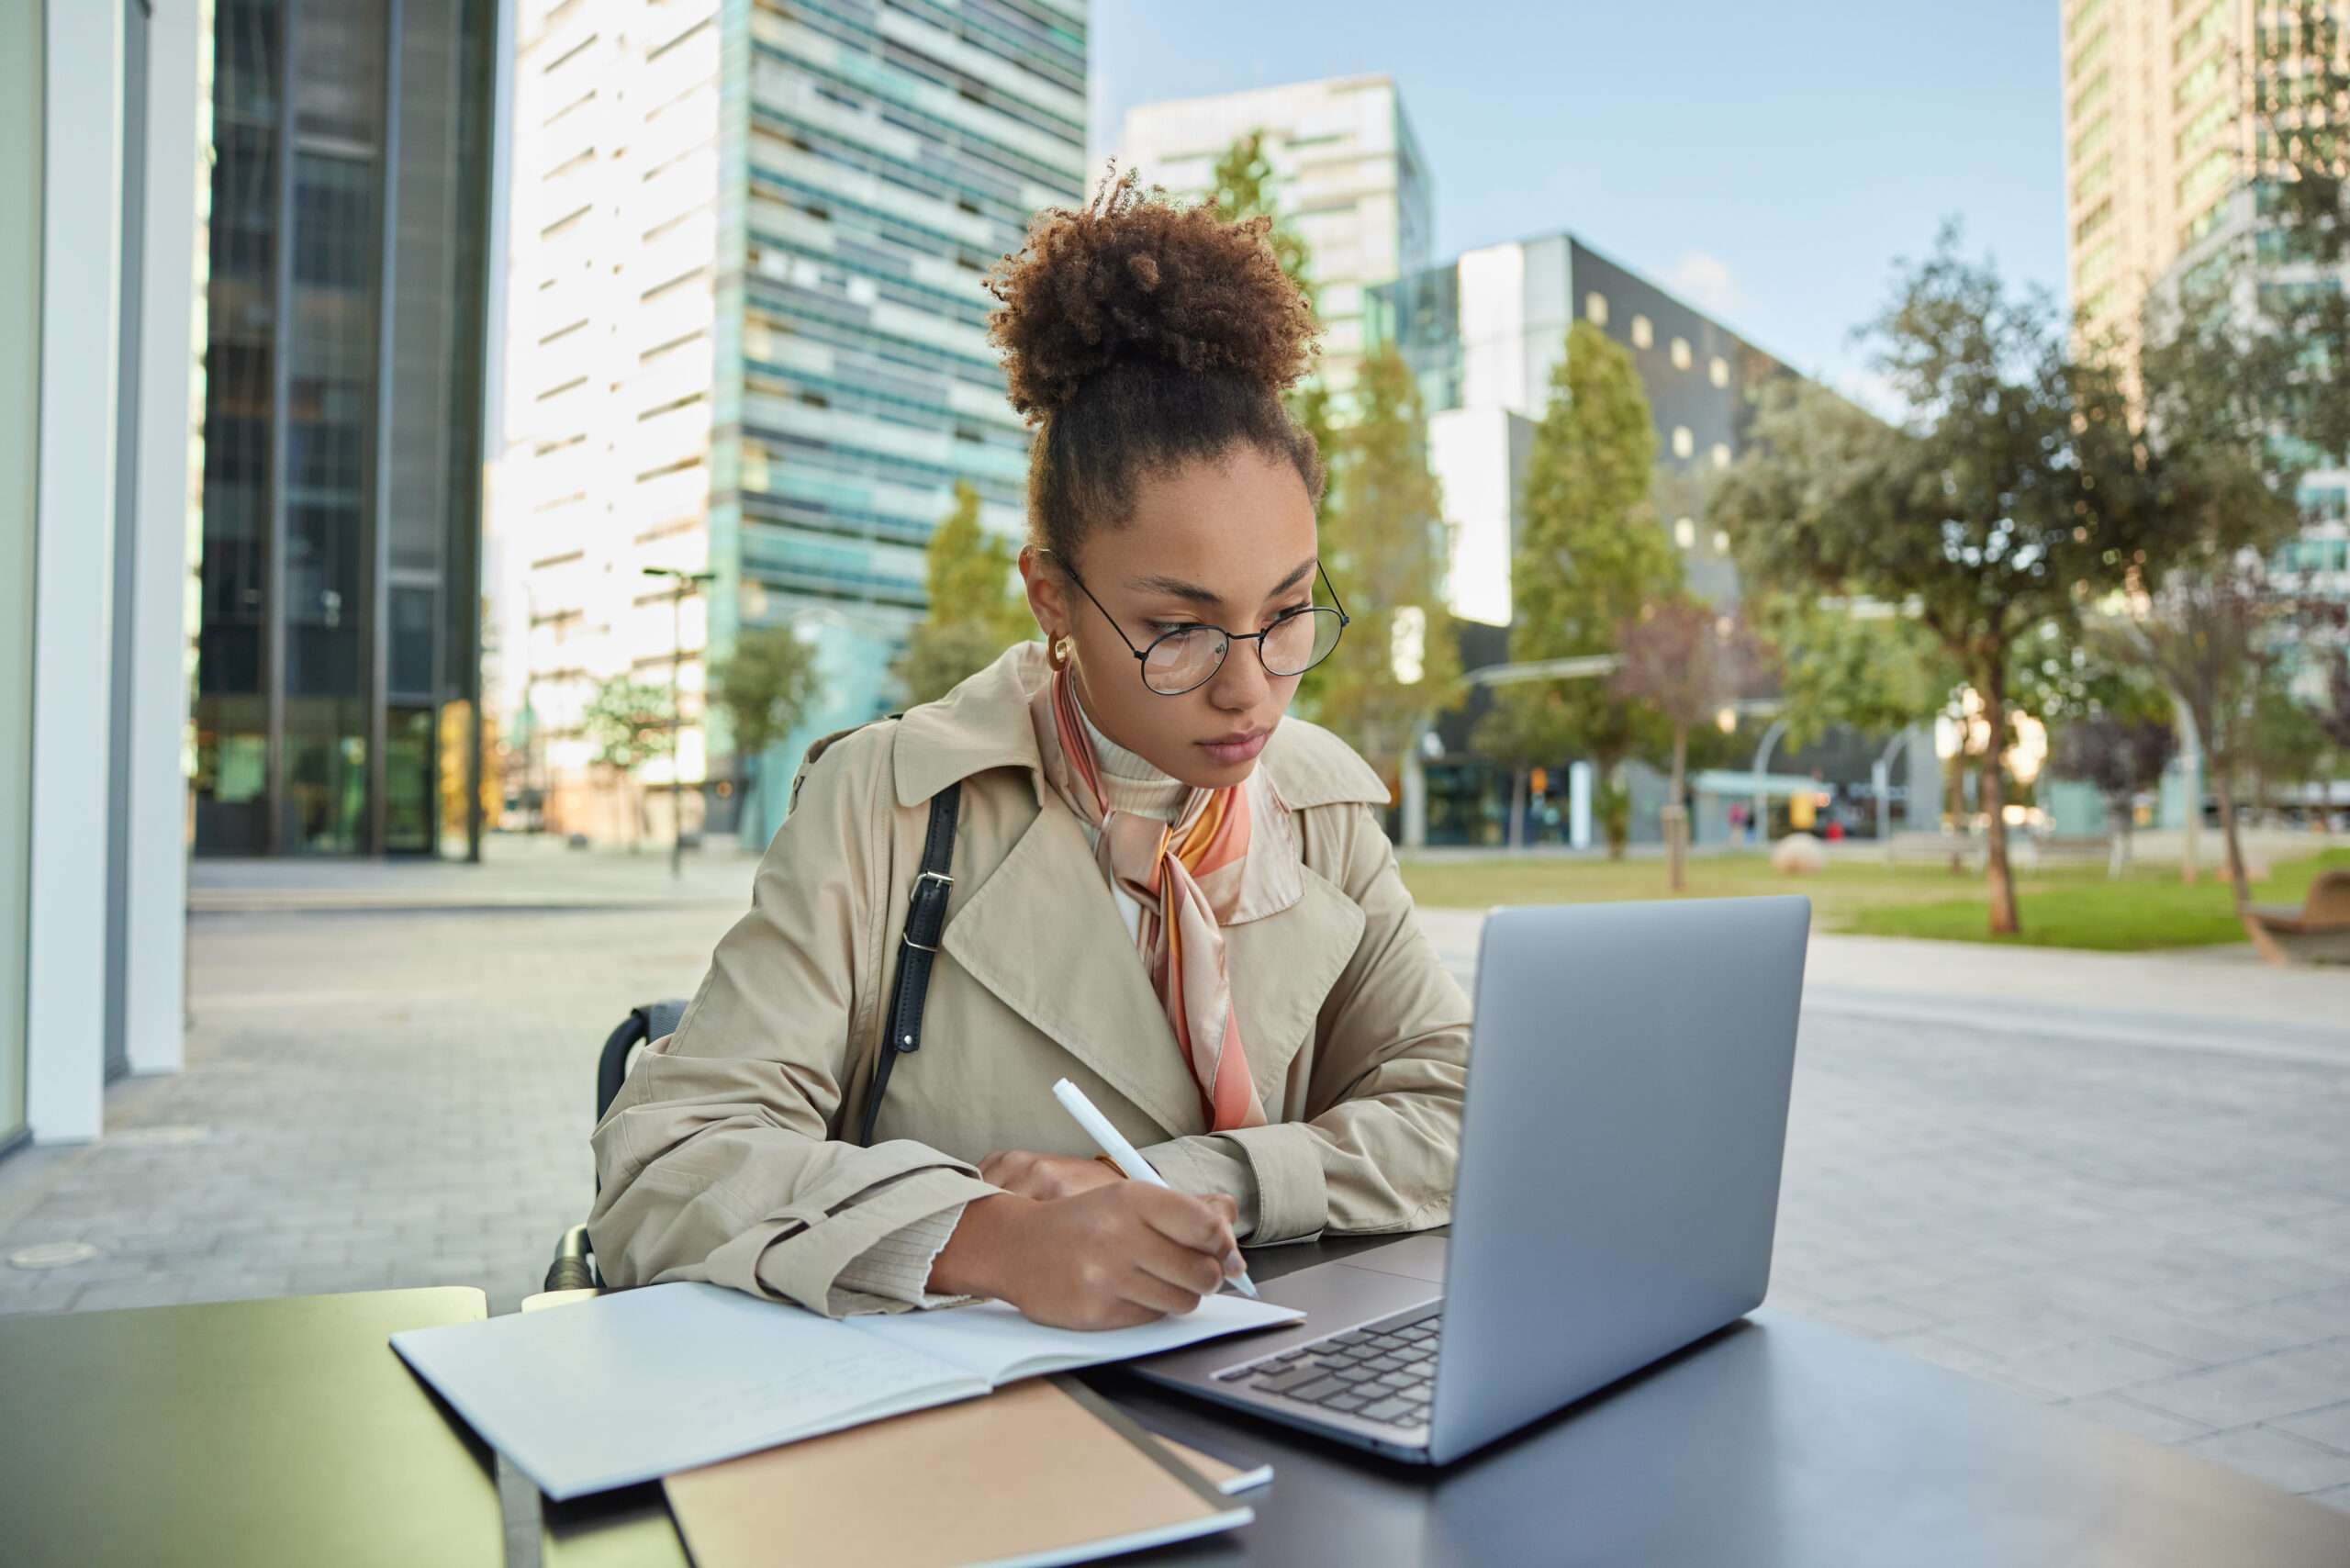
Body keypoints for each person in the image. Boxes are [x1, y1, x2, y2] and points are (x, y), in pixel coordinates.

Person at [586, 168, 1471, 1333]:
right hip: (963, 1456)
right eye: (1178, 628)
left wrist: (1208, 1180)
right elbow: (664, 1161)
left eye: (1289, 608)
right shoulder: (889, 801)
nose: (1252, 686)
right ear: (1051, 596)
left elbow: (1466, 1110)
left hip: (1266, 1397)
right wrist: (982, 1238)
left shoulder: (1319, 807)